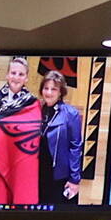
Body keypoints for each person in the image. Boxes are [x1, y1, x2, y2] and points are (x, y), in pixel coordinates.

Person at [0, 58, 44, 205]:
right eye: (13, 73)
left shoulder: (32, 103)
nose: (16, 77)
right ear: (7, 75)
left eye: (20, 74)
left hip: (20, 160)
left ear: (26, 78)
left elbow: (33, 131)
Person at [37, 70, 83, 206]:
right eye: (46, 88)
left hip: (59, 177)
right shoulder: (36, 110)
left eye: (54, 89)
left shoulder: (71, 114)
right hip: (37, 175)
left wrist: (74, 179)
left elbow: (76, 148)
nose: (49, 93)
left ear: (60, 92)